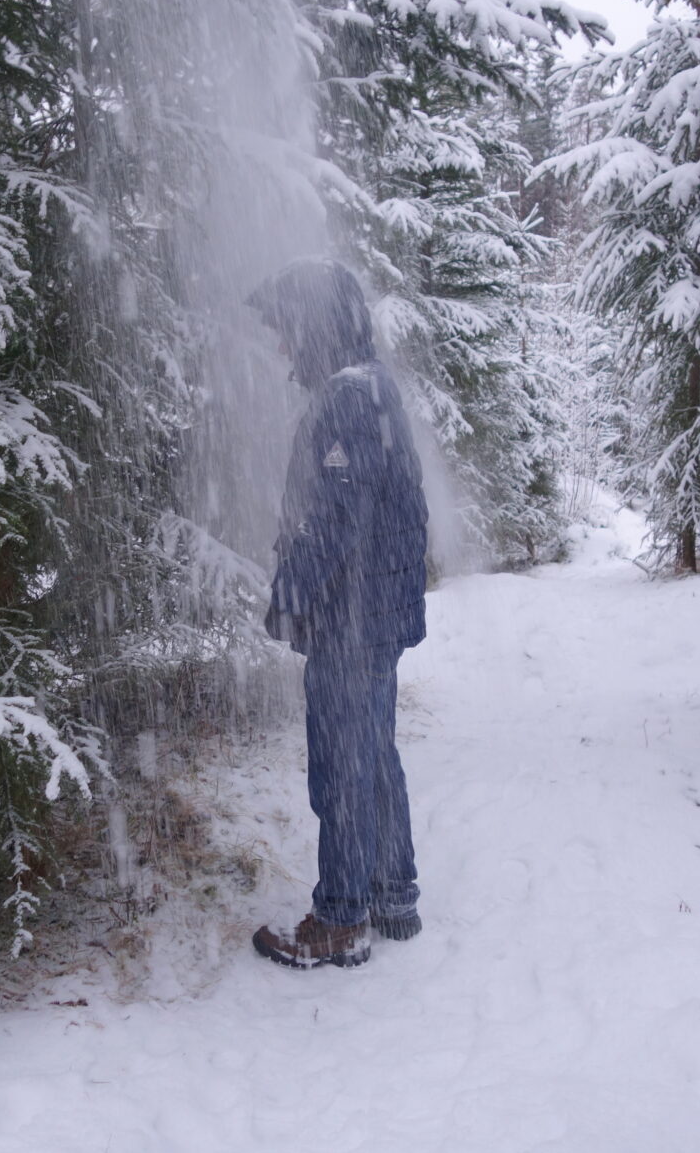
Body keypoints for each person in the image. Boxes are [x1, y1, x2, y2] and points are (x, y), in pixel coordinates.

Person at [244, 258, 429, 970]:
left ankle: (342, 915)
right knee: (373, 753)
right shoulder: (370, 389)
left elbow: (334, 517)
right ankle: (392, 893)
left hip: (351, 616)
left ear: (315, 327)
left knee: (341, 765)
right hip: (372, 612)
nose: (283, 348)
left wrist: (292, 593)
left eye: (288, 332)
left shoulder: (348, 400)